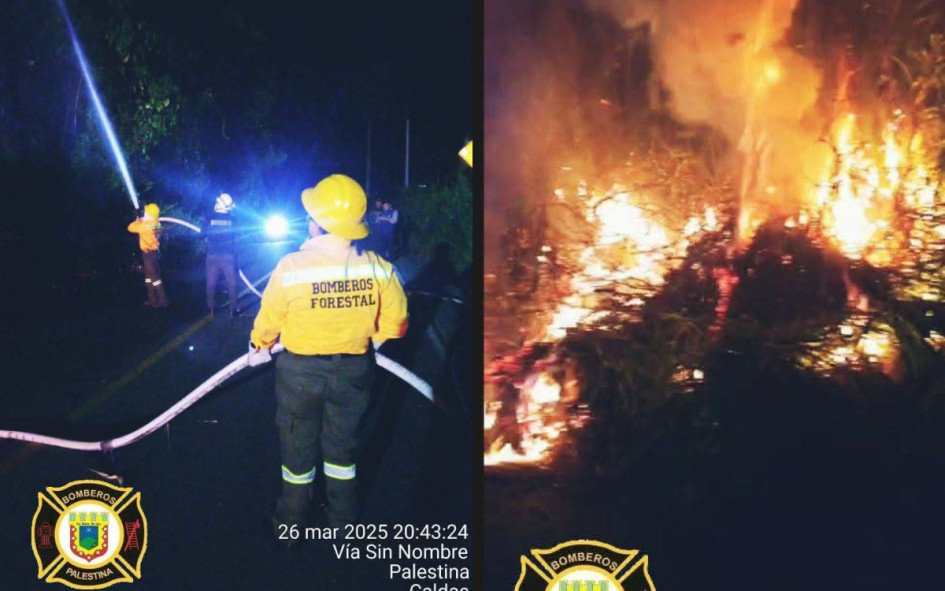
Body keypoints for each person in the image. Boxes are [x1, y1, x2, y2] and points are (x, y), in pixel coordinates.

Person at [247, 174, 409, 538]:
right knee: (342, 450)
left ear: (317, 223)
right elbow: (397, 324)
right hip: (354, 372)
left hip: (299, 375)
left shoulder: (291, 267)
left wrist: (258, 346)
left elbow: (267, 323)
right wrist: (372, 341)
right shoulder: (379, 269)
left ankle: (291, 524)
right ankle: (344, 525)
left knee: (297, 448)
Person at [204, 192, 240, 318]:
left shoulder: (209, 217)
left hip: (212, 255)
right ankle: (234, 309)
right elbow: (236, 236)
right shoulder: (233, 220)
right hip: (228, 256)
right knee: (232, 282)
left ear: (219, 203)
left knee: (211, 283)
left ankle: (210, 310)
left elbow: (202, 234)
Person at [127, 203, 169, 308]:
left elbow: (130, 228)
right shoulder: (155, 223)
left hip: (149, 254)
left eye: (146, 212)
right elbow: (148, 225)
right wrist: (141, 219)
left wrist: (138, 219)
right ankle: (152, 300)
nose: (144, 213)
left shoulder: (146, 226)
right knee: (148, 278)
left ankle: (163, 301)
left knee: (155, 278)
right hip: (151, 254)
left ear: (150, 215)